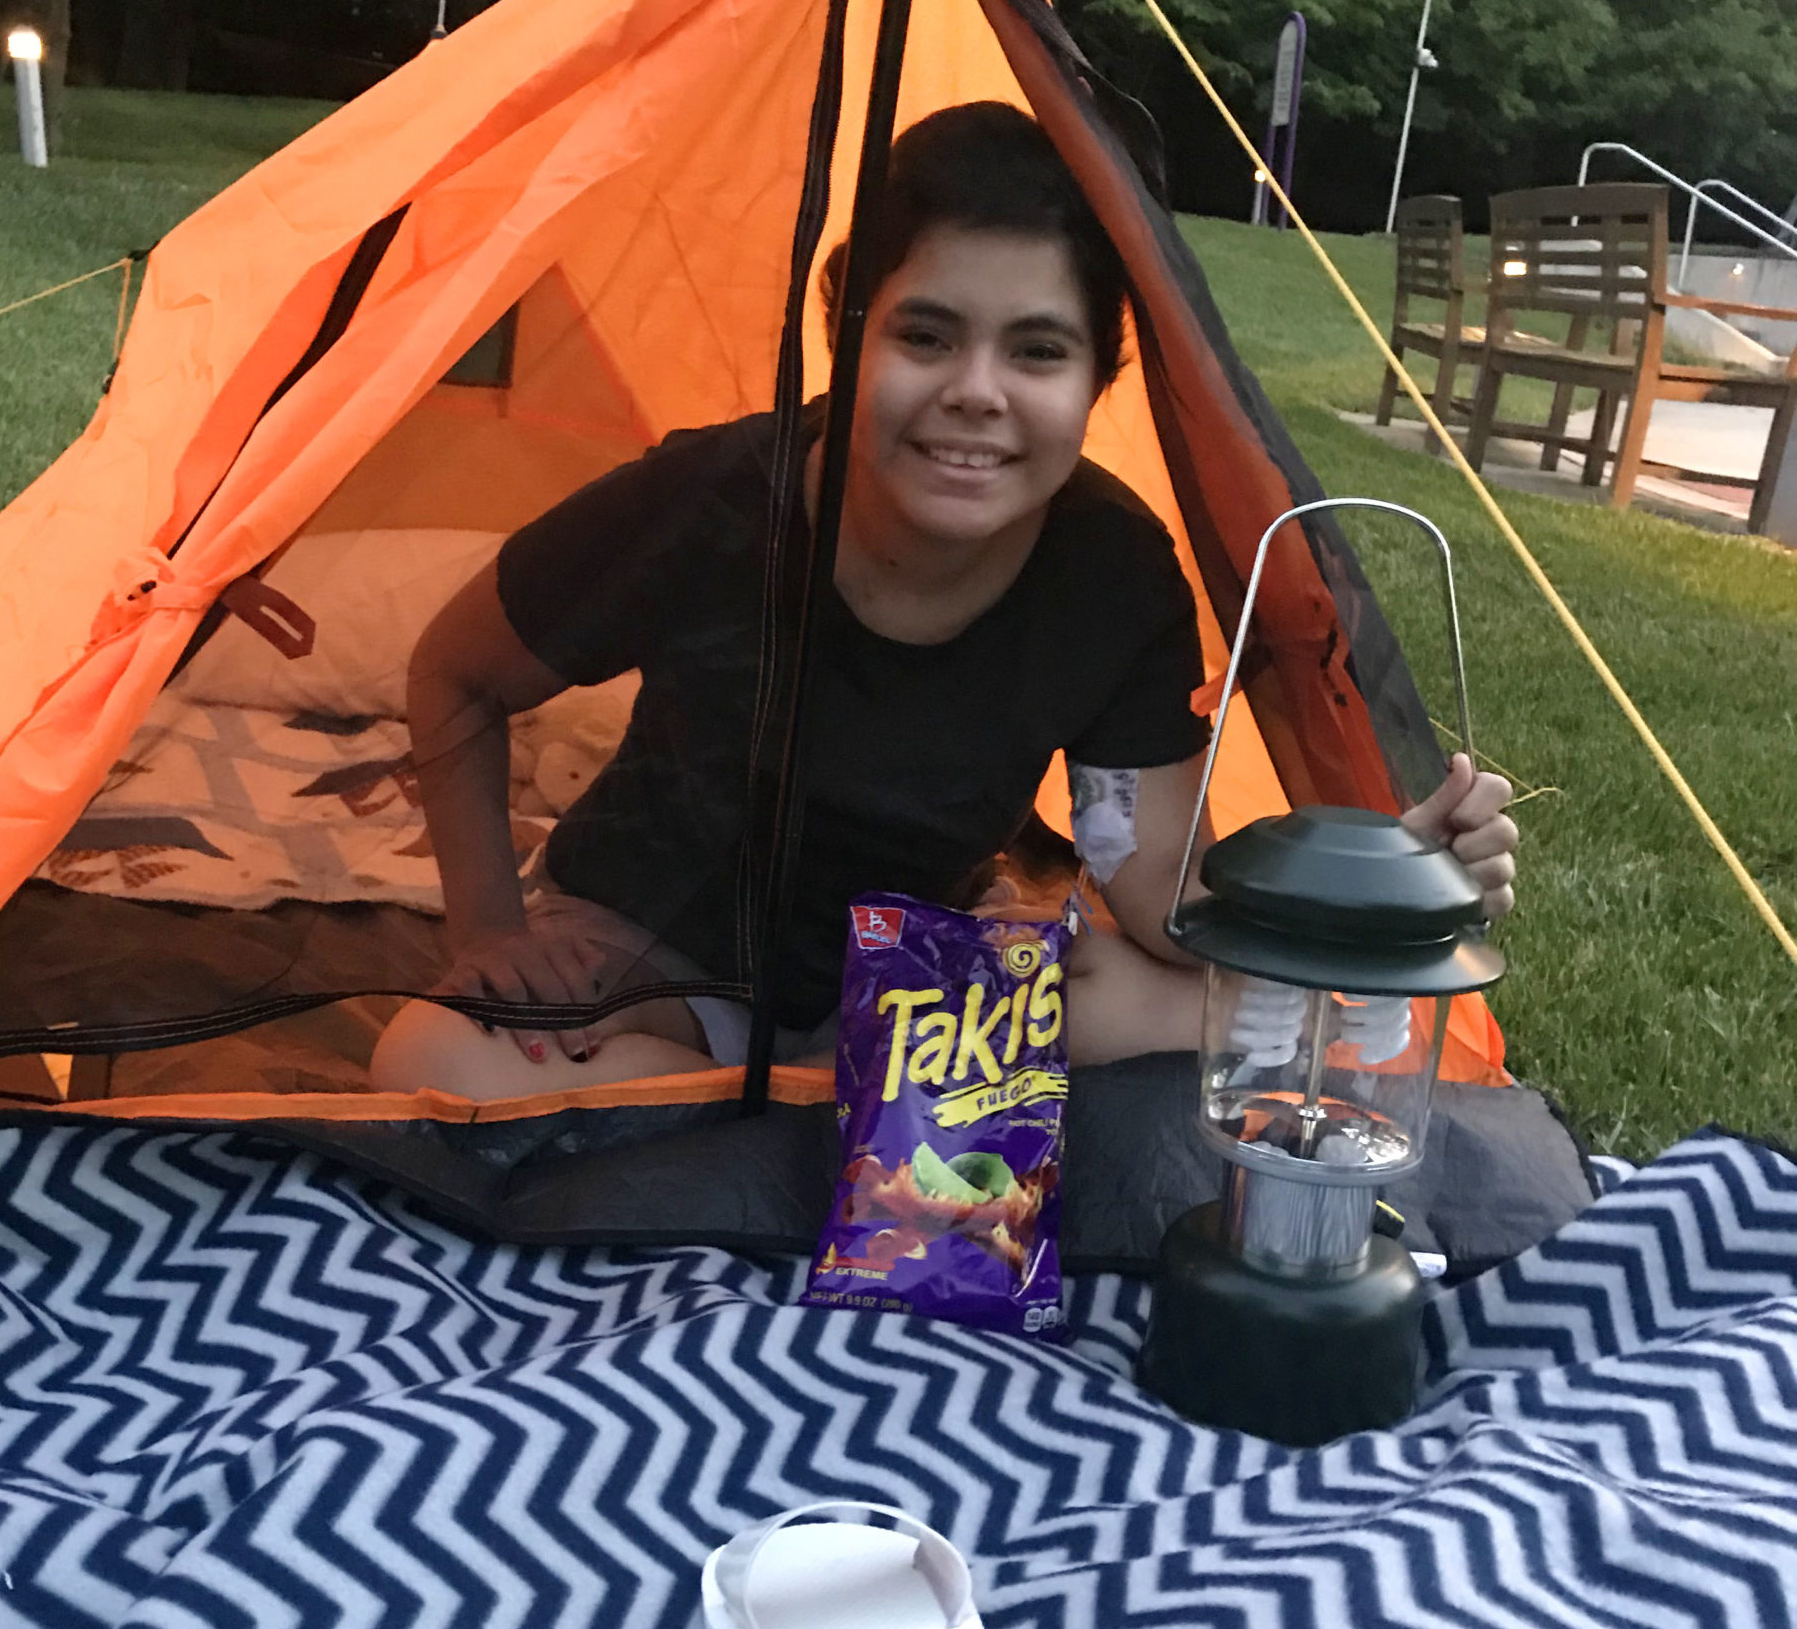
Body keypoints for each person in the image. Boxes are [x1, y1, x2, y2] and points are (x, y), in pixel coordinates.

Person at [372, 104, 1515, 1098]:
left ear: (1095, 382)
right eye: (926, 335)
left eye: (1036, 351)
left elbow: (1157, 879)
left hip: (920, 972)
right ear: (847, 332)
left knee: (1114, 978)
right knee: (430, 1060)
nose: (975, 394)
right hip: (655, 957)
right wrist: (486, 935)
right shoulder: (709, 503)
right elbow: (459, 672)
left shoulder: (1111, 574)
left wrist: (1369, 884)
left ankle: (786, 1109)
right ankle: (846, 1110)